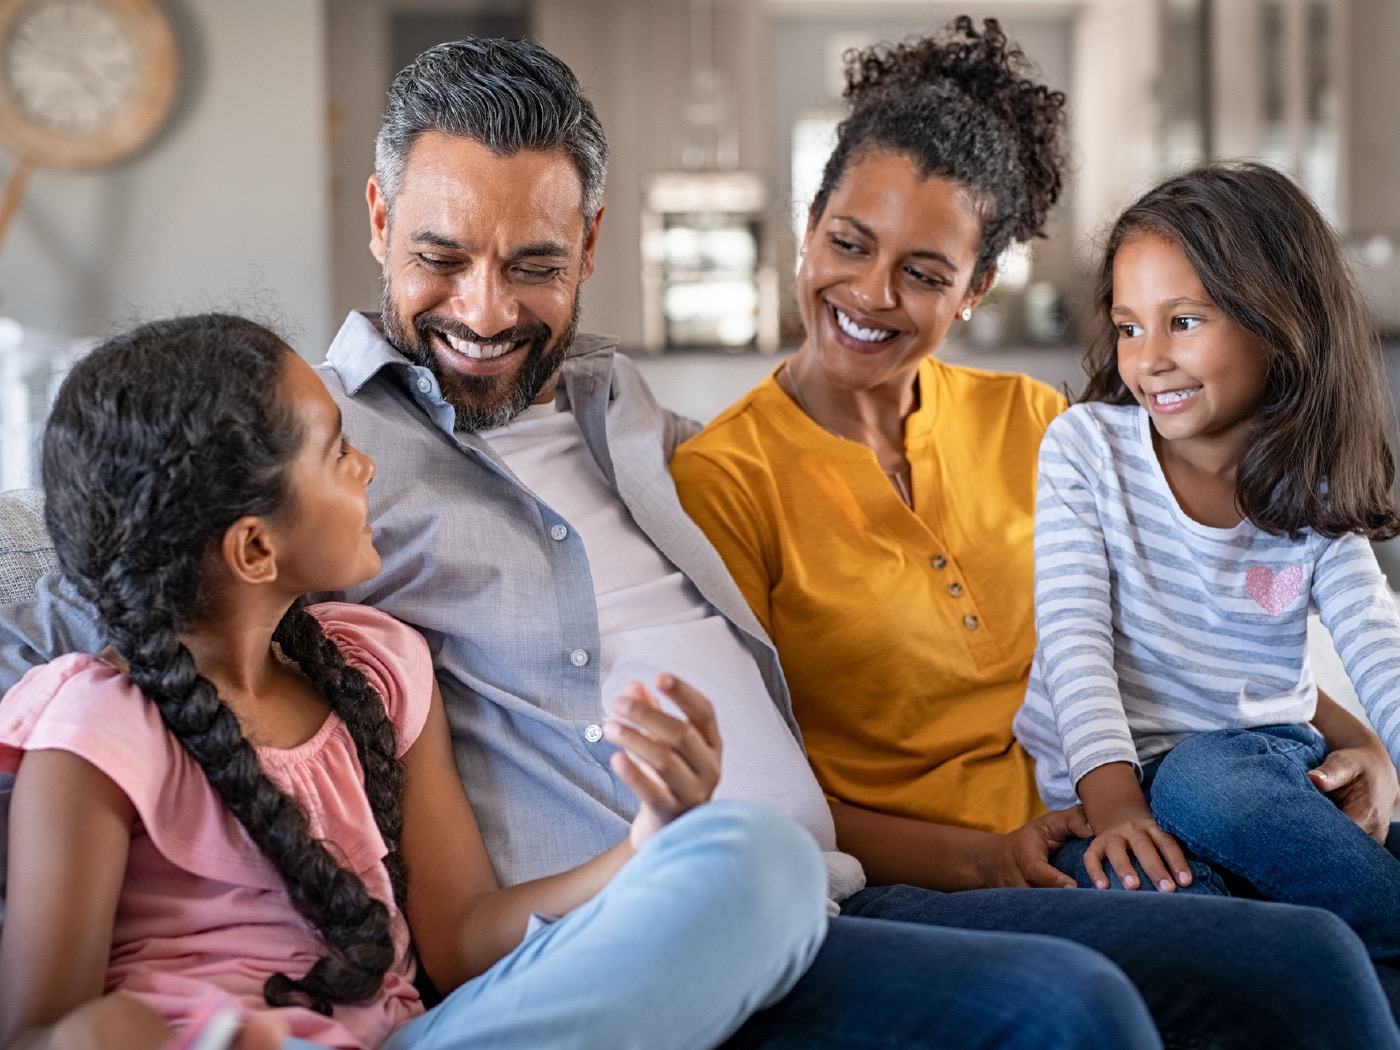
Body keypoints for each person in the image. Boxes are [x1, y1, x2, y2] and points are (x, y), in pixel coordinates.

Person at [0, 31, 1395, 1050]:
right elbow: (113, 577)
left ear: (593, 242)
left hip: (834, 893)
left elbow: (1176, 578)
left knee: (1311, 969)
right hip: (645, 920)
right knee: (1070, 1007)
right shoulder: (306, 462)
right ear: (377, 219)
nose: (485, 307)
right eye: (440, 255)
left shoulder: (630, 408)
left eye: (535, 263)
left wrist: (1339, 721)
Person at [670, 15, 1400, 1037]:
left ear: (976, 289)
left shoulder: (1032, 422)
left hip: (1115, 812)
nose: (869, 294)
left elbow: (1177, 617)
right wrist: (982, 855)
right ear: (807, 227)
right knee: (1281, 954)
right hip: (926, 880)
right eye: (846, 242)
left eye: (924, 272)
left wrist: (1352, 736)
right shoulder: (721, 479)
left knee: (1313, 884)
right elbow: (758, 802)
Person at [0, 314, 830, 1050]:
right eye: (335, 454)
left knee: (762, 862)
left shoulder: (379, 668)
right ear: (256, 550)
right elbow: (34, 1029)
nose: (366, 467)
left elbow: (465, 942)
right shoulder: (95, 732)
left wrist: (648, 843)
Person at [1012, 162, 1400, 963]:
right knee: (1144, 905)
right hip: (1109, 791)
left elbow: (1377, 643)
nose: (1148, 357)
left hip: (1250, 773)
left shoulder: (1309, 488)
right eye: (1128, 326)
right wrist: (1115, 804)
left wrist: (1383, 752)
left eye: (1183, 321)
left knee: (1202, 781)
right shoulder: (1086, 451)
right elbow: (1072, 640)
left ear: (1279, 323)